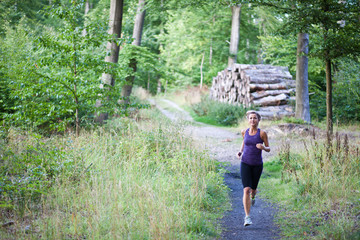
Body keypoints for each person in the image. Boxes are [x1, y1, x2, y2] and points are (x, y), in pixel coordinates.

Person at [236, 110, 270, 227]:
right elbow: (244, 142)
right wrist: (240, 152)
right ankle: (247, 217)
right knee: (246, 189)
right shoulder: (244, 131)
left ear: (258, 120)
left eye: (255, 118)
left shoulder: (262, 134)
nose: (252, 120)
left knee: (253, 190)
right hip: (245, 163)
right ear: (248, 120)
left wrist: (263, 148)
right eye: (250, 118)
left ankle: (253, 195)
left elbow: (268, 147)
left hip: (257, 165)